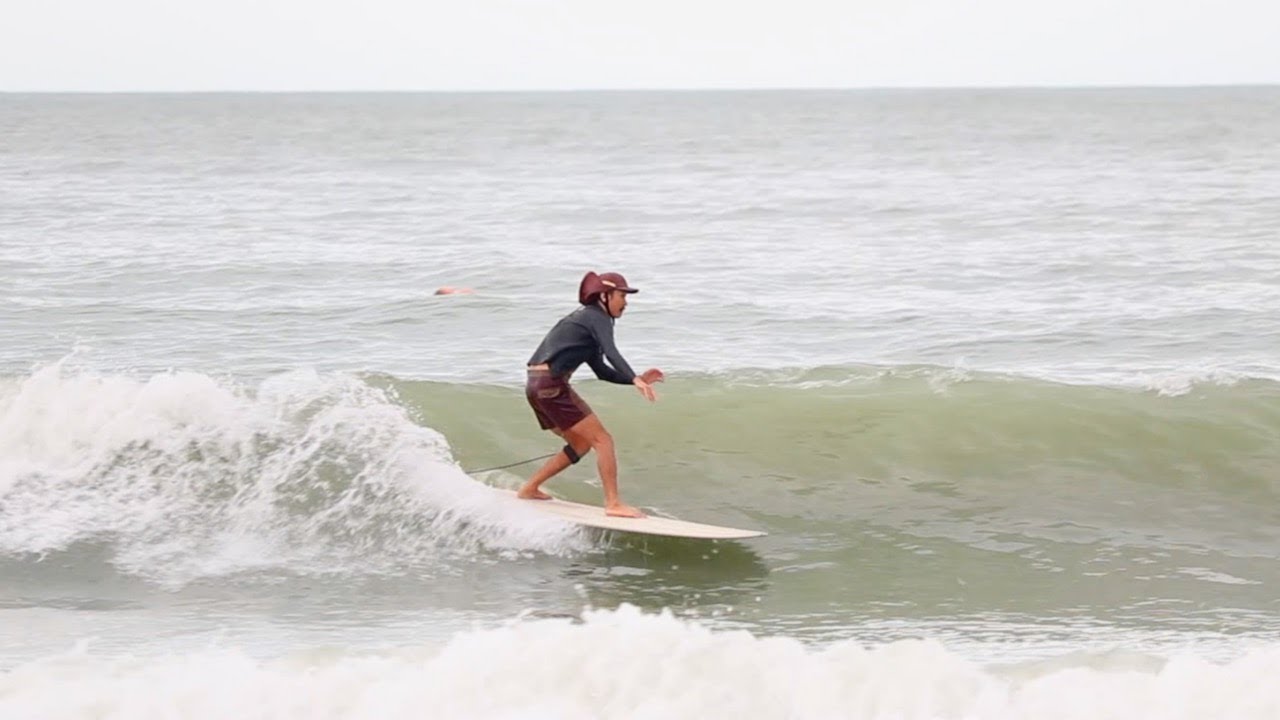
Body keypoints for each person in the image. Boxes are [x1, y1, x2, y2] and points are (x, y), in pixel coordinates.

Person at [519, 271, 664, 518]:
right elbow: (612, 351)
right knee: (603, 441)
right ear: (605, 296)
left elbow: (602, 371)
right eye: (621, 296)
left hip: (536, 384)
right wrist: (634, 378)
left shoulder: (585, 323)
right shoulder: (597, 317)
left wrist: (634, 379)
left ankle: (529, 488)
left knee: (581, 443)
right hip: (551, 385)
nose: (626, 303)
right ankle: (613, 504)